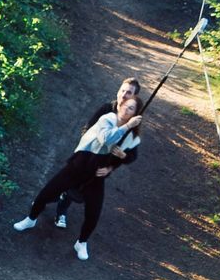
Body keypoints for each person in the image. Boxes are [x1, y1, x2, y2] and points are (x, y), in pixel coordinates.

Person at [12, 77, 146, 260]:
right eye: (122, 91)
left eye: (129, 96)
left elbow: (131, 153)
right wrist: (93, 146)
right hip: (81, 162)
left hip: (97, 173)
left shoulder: (132, 130)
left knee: (94, 211)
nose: (124, 98)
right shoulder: (107, 114)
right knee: (49, 191)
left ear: (135, 107)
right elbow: (101, 136)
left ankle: (81, 242)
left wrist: (113, 165)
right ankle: (32, 219)